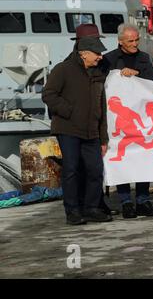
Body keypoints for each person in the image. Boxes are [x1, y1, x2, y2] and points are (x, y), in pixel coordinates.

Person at [42, 24, 112, 225]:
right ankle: (72, 211)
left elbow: (102, 106)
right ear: (83, 54)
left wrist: (103, 136)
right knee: (71, 169)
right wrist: (69, 111)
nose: (100, 56)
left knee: (95, 170)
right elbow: (48, 94)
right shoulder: (63, 69)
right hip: (68, 129)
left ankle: (91, 208)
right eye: (97, 53)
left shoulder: (98, 73)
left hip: (92, 131)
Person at [101, 23, 153, 219]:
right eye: (130, 41)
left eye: (137, 40)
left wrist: (137, 75)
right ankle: (126, 202)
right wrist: (119, 74)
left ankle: (143, 200)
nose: (135, 44)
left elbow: (152, 82)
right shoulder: (109, 59)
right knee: (122, 159)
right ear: (120, 41)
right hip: (118, 120)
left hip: (140, 118)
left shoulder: (143, 58)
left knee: (143, 158)